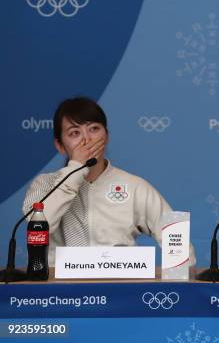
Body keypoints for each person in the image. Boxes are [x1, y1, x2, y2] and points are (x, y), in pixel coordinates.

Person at [22, 97, 195, 265]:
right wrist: (75, 170)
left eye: (94, 129)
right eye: (74, 133)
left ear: (107, 136)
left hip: (120, 289)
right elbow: (38, 229)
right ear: (59, 145)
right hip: (60, 291)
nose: (86, 140)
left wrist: (180, 284)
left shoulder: (135, 186)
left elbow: (178, 239)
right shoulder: (44, 184)